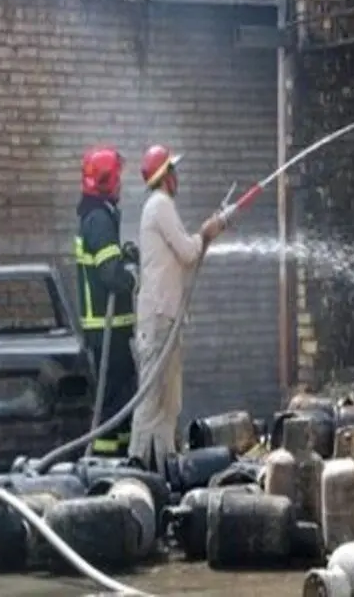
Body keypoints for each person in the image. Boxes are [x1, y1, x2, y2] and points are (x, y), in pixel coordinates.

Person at [128, 144, 225, 473]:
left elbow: (183, 255)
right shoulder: (160, 205)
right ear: (165, 177)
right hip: (158, 320)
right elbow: (187, 252)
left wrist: (203, 237)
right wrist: (206, 234)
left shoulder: (158, 206)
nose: (177, 176)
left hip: (164, 317)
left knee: (168, 403)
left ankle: (162, 469)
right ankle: (140, 469)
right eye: (174, 170)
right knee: (153, 402)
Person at [74, 146, 139, 456]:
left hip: (109, 329)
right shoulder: (99, 219)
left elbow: (107, 259)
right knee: (114, 401)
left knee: (123, 398)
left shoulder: (96, 215)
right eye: (117, 179)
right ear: (107, 181)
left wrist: (124, 254)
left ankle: (120, 456)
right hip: (107, 329)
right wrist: (132, 275)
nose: (121, 185)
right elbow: (111, 275)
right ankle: (107, 461)